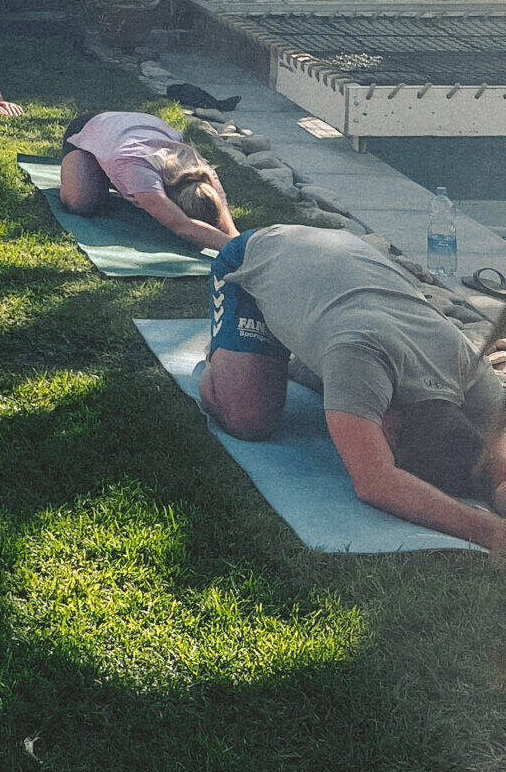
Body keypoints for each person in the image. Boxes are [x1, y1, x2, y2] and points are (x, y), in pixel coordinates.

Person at [198, 224, 506, 550]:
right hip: (258, 255)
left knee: (342, 382)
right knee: (247, 418)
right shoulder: (359, 358)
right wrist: (491, 531)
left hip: (342, 265)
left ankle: (292, 350)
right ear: (393, 434)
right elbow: (376, 482)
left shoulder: (470, 371)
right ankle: (222, 356)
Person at [59, 111, 237, 253]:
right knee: (81, 202)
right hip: (89, 127)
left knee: (127, 179)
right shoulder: (140, 170)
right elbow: (182, 225)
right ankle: (95, 163)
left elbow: (230, 230)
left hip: (138, 127)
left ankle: (110, 168)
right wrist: (236, 251)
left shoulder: (205, 175)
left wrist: (246, 247)